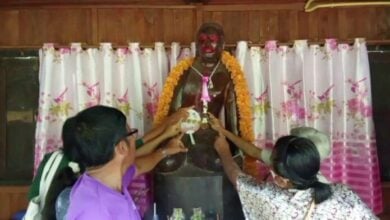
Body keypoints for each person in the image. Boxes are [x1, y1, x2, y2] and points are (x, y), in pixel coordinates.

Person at [152, 22, 251, 219]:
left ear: (221, 45)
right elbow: (173, 114)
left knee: (216, 160)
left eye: (212, 41)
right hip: (182, 133)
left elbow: (232, 119)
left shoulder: (227, 77)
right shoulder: (185, 74)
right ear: (196, 44)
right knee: (167, 162)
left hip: (211, 135)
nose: (206, 46)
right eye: (202, 41)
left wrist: (234, 149)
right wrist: (168, 139)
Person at [213, 132, 378, 219]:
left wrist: (223, 151)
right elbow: (255, 152)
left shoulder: (271, 200)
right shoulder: (343, 193)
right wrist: (225, 132)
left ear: (281, 180)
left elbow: (237, 177)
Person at [208, 113, 331, 182]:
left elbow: (240, 183)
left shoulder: (276, 196)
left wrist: (224, 151)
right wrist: (222, 131)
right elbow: (254, 151)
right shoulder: (287, 161)